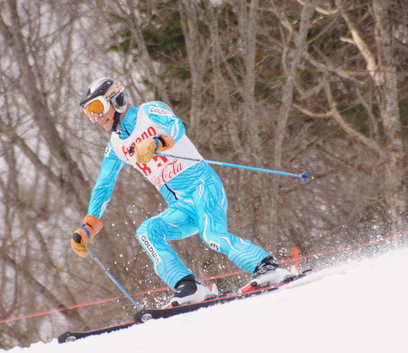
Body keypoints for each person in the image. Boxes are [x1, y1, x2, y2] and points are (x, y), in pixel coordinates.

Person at [70, 77, 294, 306]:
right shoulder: (115, 146)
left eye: (97, 108)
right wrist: (89, 225)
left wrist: (157, 142)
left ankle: (266, 266)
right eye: (89, 112)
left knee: (211, 236)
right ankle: (188, 285)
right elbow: (103, 185)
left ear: (116, 100)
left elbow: (176, 126)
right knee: (147, 231)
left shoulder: (149, 111)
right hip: (180, 206)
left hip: (202, 186)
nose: (96, 117)